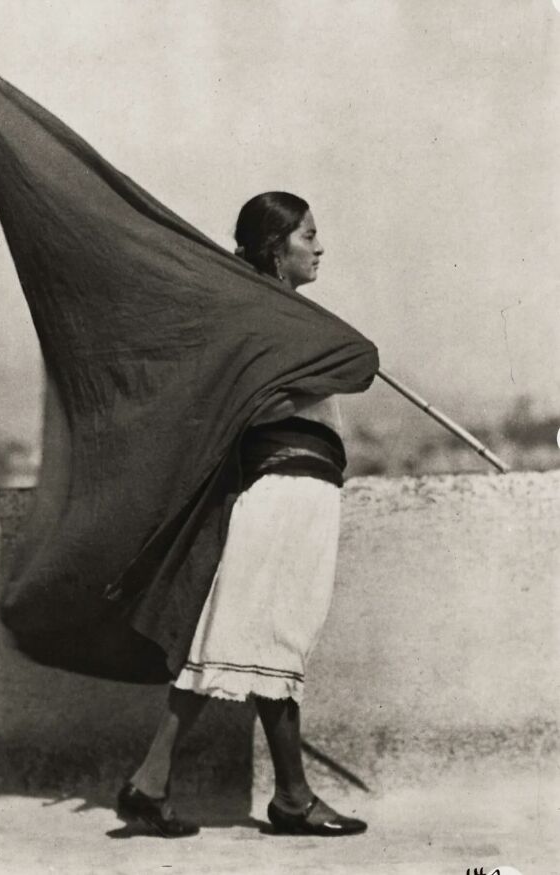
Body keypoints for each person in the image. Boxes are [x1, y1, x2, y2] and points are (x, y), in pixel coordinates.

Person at [116, 192, 368, 839]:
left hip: (299, 490)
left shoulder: (279, 318)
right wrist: (324, 346)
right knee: (258, 640)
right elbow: (359, 361)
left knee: (241, 642)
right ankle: (287, 797)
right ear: (277, 247)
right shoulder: (268, 321)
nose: (320, 246)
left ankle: (160, 784)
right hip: (282, 491)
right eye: (309, 235)